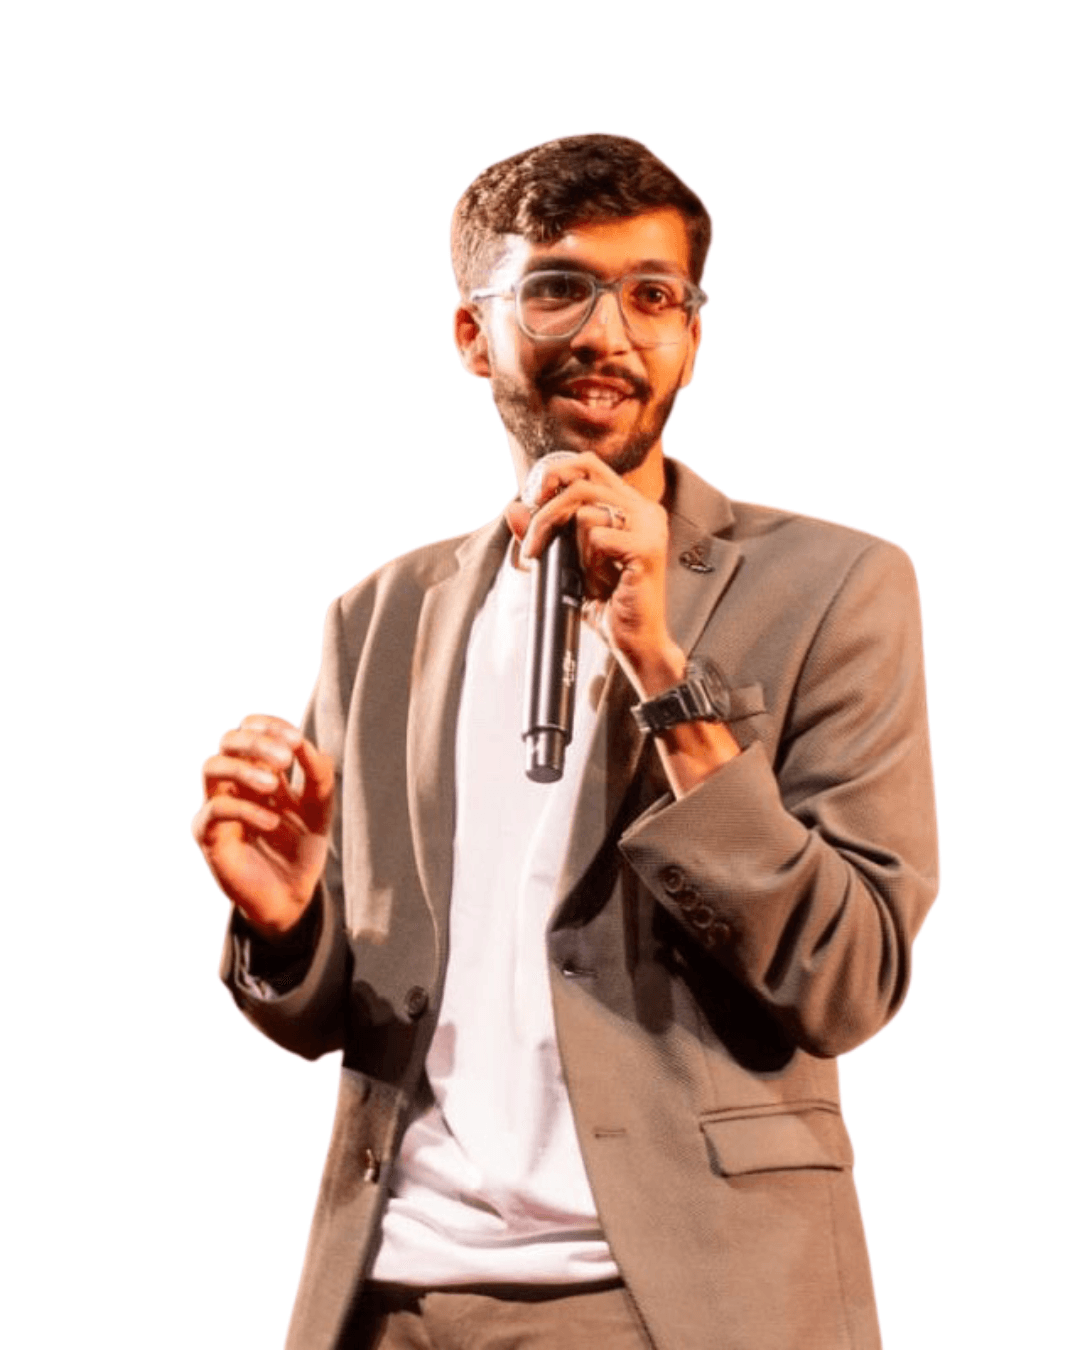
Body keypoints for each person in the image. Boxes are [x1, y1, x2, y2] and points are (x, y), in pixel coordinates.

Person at [193, 134, 937, 1350]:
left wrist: (662, 668)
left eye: (653, 295)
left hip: (673, 1300)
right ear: (473, 334)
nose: (609, 332)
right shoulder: (379, 618)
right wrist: (287, 927)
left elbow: (846, 978)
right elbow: (346, 1014)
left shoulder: (834, 587)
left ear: (692, 335)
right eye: (558, 288)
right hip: (390, 1296)